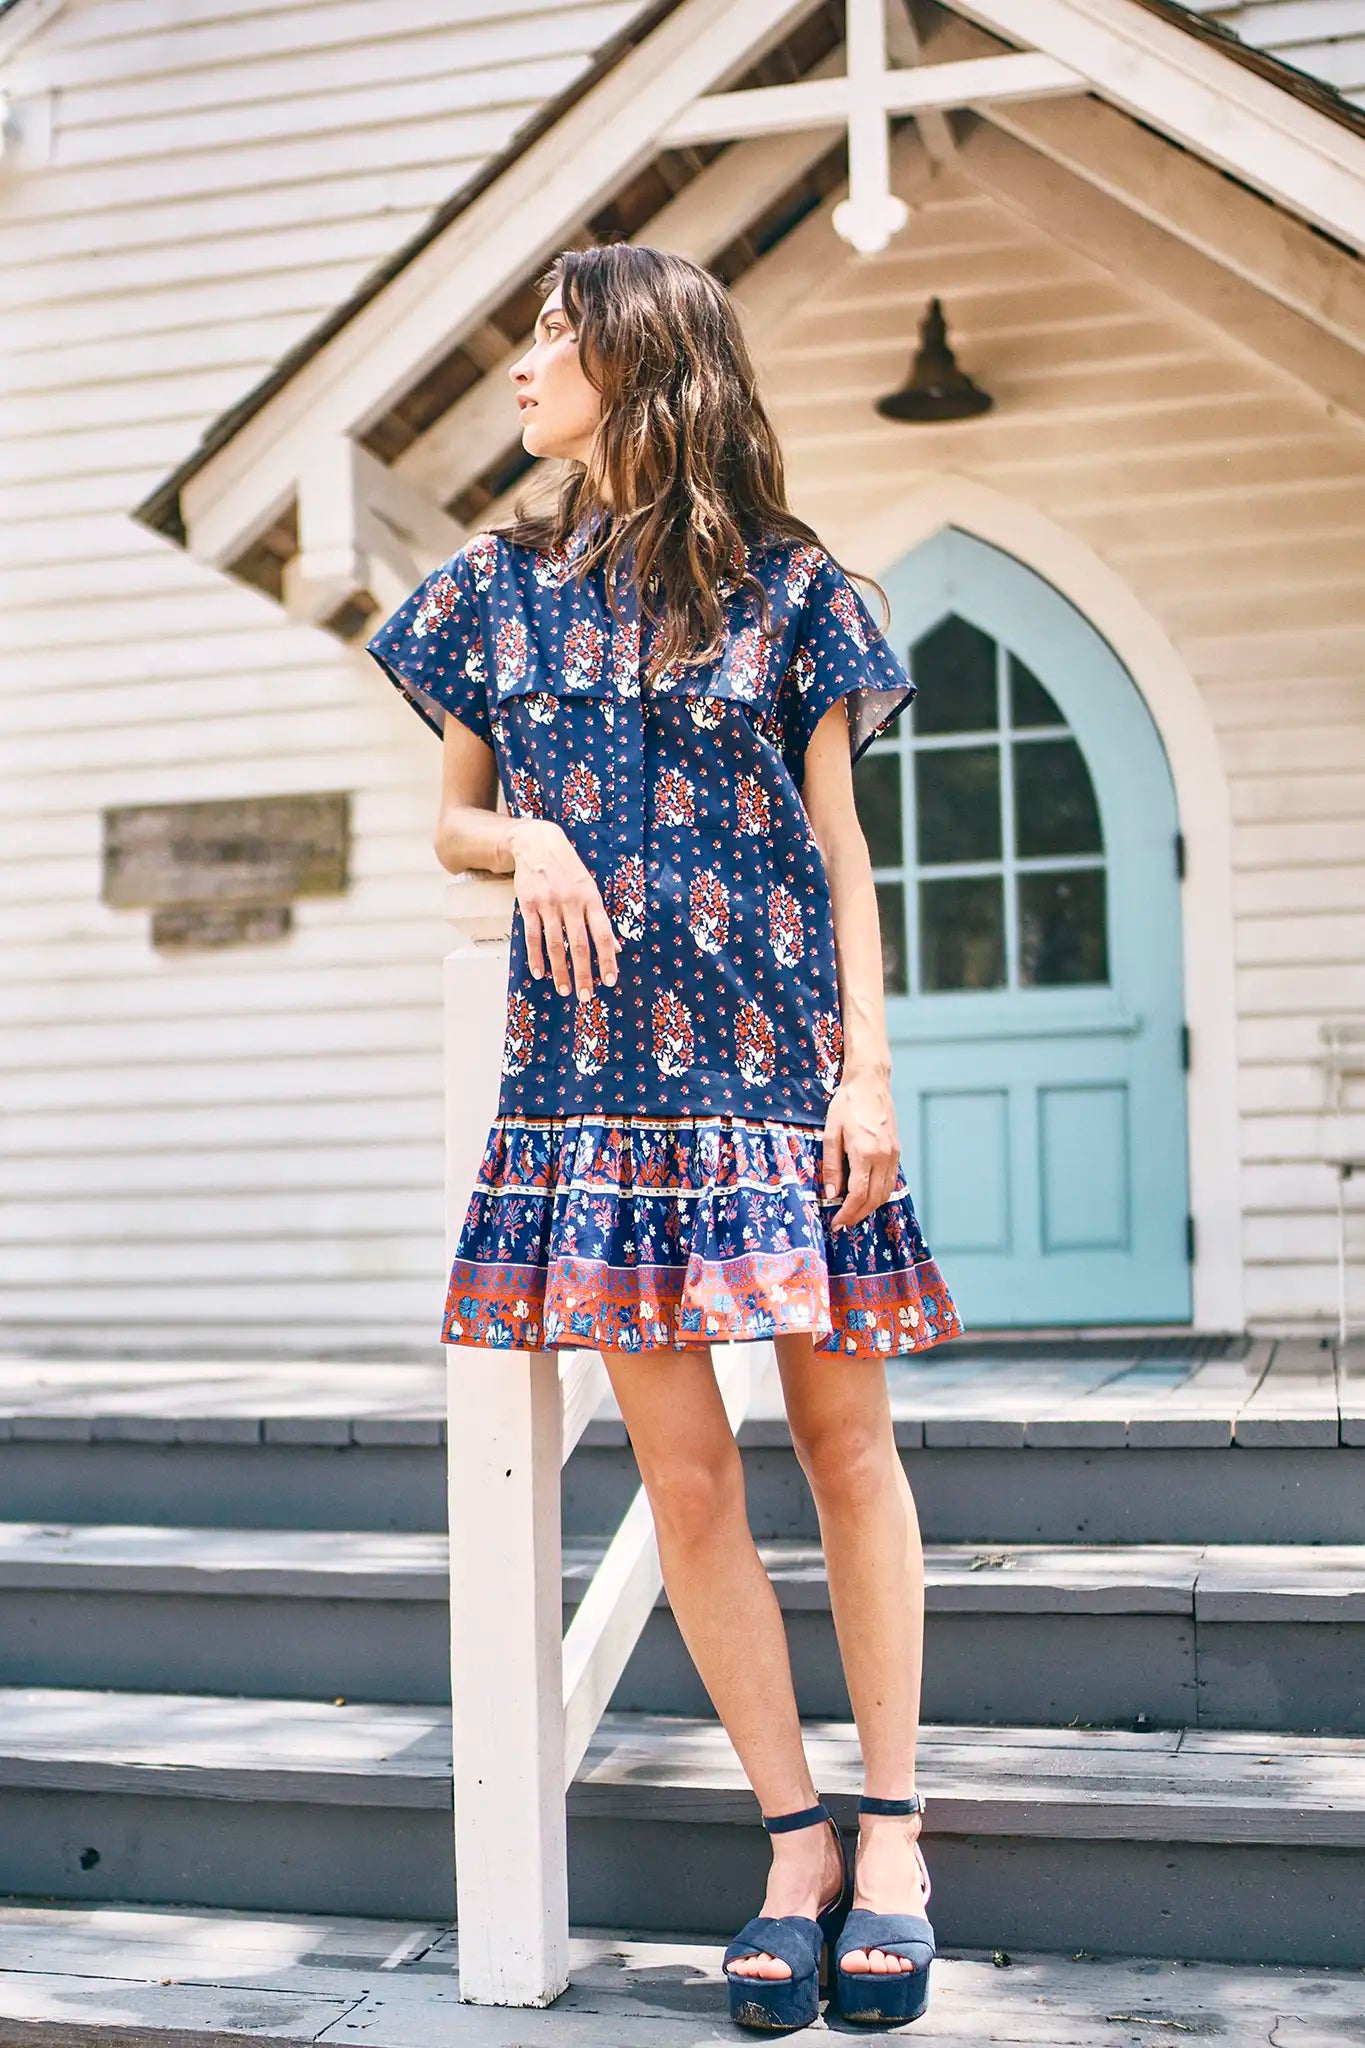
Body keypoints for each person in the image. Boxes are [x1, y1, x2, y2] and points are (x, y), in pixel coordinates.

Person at [367, 243, 962, 2032]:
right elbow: (449, 822)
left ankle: (896, 1830)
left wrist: (867, 1078)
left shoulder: (797, 594)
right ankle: (791, 1839)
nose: (525, 365)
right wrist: (522, 844)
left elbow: (849, 863)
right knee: (686, 1479)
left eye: (557, 337)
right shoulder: (490, 591)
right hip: (591, 1100)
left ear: (644, 367)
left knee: (845, 1450)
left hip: (783, 1084)